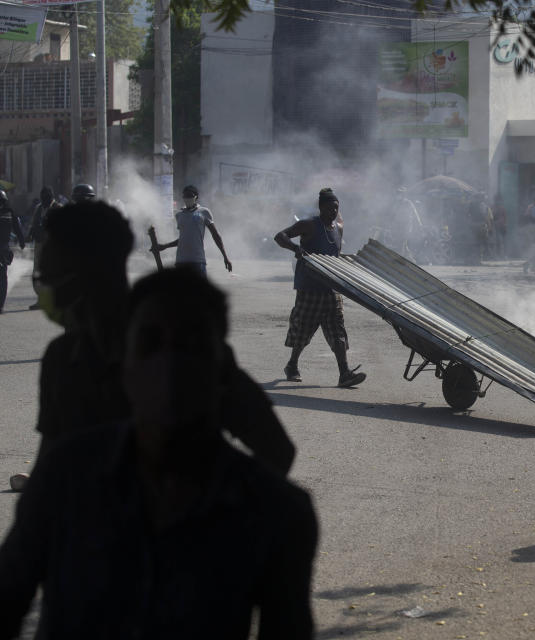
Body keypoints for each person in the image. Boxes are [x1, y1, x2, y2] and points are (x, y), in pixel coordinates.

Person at [0, 268, 318, 638]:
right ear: (124, 367)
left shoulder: (278, 512)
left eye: (192, 344)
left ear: (223, 369)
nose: (170, 364)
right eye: (151, 343)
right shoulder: (64, 479)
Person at [10, 202, 295, 490]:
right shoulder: (63, 357)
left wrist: (209, 519)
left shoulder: (186, 350)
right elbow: (50, 462)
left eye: (48, 278)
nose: (44, 289)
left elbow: (277, 451)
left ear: (87, 274)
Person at [275, 187, 366, 387]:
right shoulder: (308, 225)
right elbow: (280, 236)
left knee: (338, 332)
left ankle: (344, 373)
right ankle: (292, 365)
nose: (334, 212)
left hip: (331, 288)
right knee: (302, 330)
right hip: (309, 287)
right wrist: (295, 248)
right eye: (330, 208)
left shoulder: (338, 228)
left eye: (337, 208)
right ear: (321, 208)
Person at [157, 185, 232, 276]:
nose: (187, 198)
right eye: (185, 196)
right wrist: (165, 246)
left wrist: (225, 256)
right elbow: (183, 238)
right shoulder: (179, 215)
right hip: (181, 261)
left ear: (196, 197)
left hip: (198, 261)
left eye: (190, 195)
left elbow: (215, 235)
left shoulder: (204, 212)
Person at [26, 186, 61, 310]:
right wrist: (29, 235)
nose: (44, 198)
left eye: (46, 196)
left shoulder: (57, 208)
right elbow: (33, 223)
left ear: (51, 196)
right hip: (40, 244)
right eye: (42, 196)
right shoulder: (39, 208)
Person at [0, 191, 25, 314]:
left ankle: (0, 305)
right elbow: (18, 228)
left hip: (3, 250)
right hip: (4, 250)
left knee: (2, 278)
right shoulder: (10, 212)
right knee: (2, 278)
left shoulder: (10, 213)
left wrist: (22, 240)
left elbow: (18, 228)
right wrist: (21, 241)